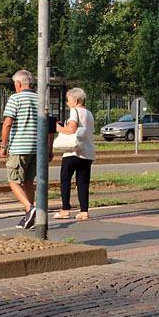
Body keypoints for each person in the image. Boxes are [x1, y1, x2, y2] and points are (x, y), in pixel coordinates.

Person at [0, 70, 52, 229]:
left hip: (19, 147)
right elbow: (50, 128)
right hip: (38, 148)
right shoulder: (42, 99)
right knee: (29, 181)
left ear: (18, 83)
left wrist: (3, 145)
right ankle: (29, 218)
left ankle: (30, 208)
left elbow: (8, 123)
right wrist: (49, 149)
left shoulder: (15, 98)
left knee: (13, 181)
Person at [54, 88, 96, 220]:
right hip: (87, 152)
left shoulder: (74, 111)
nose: (67, 103)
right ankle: (84, 211)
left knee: (65, 180)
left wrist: (58, 128)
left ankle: (65, 209)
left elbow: (72, 129)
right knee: (83, 182)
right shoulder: (89, 114)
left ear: (76, 100)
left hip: (72, 152)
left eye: (68, 100)